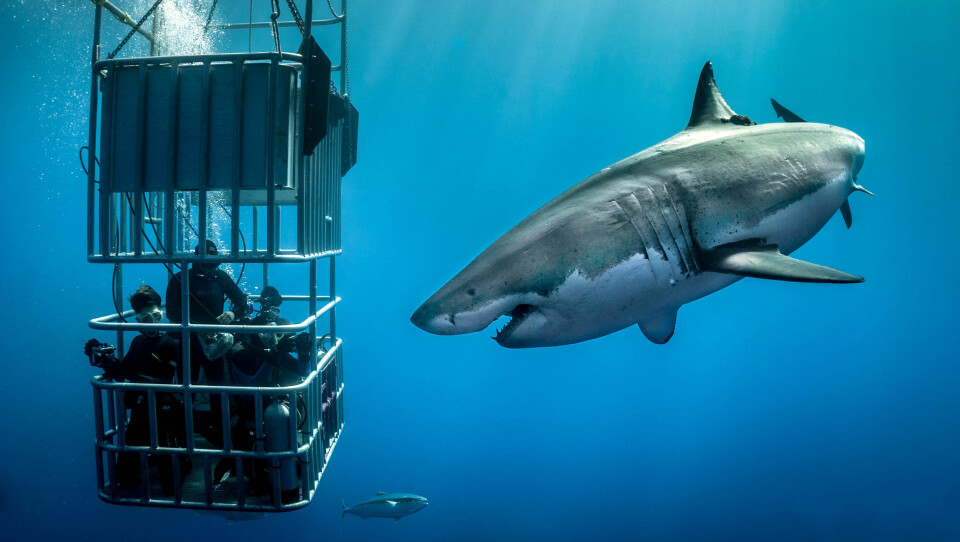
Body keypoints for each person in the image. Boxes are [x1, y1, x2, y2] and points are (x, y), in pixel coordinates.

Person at [84, 284, 190, 495]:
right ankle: (156, 461)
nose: (154, 323)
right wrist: (106, 361)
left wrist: (132, 375)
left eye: (157, 316)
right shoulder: (138, 341)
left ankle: (181, 463)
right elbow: (124, 371)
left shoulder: (172, 342)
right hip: (141, 411)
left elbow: (165, 382)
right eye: (147, 319)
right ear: (139, 320)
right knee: (123, 476)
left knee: (171, 485)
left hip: (164, 410)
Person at [227, 286, 311, 500]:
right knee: (251, 457)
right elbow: (253, 382)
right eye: (266, 335)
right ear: (254, 336)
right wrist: (269, 359)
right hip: (249, 413)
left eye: (277, 334)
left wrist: (303, 354)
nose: (272, 339)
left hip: (274, 411)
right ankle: (254, 477)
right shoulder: (242, 355)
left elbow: (303, 371)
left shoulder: (278, 352)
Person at [165, 240, 248, 448]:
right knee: (186, 391)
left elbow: (242, 301)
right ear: (195, 261)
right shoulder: (180, 279)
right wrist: (193, 326)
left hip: (214, 344)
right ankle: (183, 443)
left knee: (219, 391)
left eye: (214, 264)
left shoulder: (220, 277)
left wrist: (231, 313)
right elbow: (171, 311)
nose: (211, 269)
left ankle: (222, 441)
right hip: (189, 343)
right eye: (206, 264)